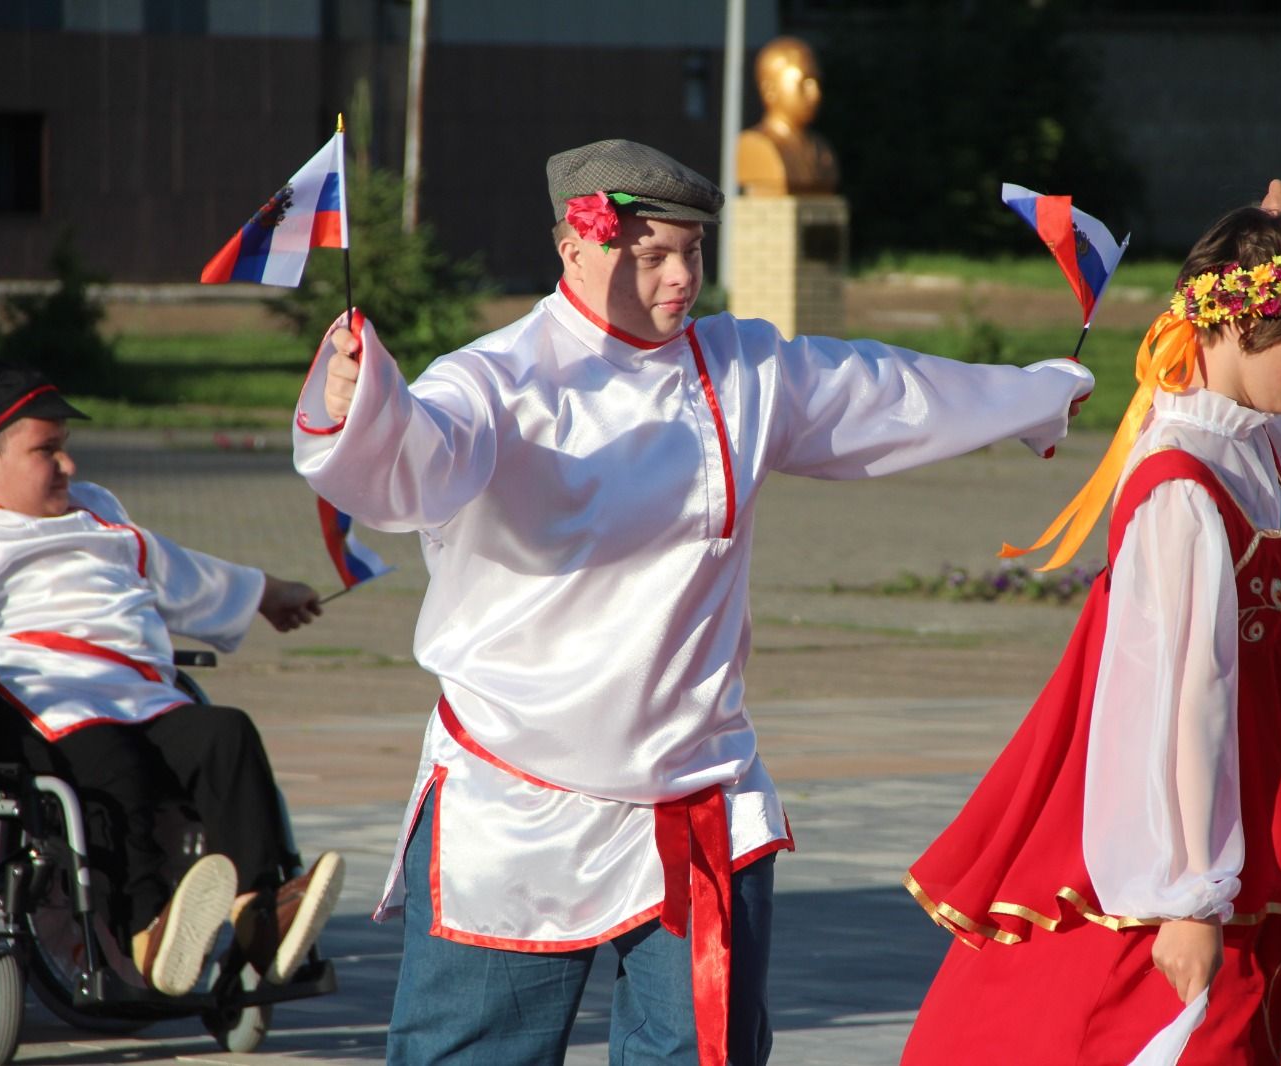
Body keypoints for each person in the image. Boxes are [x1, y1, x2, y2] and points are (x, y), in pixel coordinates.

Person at [292, 138, 1096, 1065]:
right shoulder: (493, 381)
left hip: (695, 792)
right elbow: (413, 467)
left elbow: (887, 393)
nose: (680, 279)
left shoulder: (742, 367)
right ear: (576, 248)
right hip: (514, 796)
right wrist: (360, 406)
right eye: (651, 256)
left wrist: (1037, 394)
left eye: (692, 252)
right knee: (472, 1055)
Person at [899, 182, 1281, 1065]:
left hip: (1248, 794)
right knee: (1143, 1025)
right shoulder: (1182, 485)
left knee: (1243, 1025)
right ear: (1230, 324)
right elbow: (1185, 700)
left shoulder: (1250, 439)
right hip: (1189, 818)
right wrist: (1189, 897)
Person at [0, 366, 346, 997]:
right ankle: (144, 928)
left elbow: (179, 572)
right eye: (46, 450)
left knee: (225, 735)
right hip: (53, 696)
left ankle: (260, 910)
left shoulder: (98, 513)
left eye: (65, 445)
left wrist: (267, 593)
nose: (68, 463)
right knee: (116, 768)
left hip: (144, 691)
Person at [736, 35, 840, 196]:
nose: (815, 93)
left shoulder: (822, 151)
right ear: (770, 90)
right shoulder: (756, 146)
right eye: (803, 82)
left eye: (816, 81)